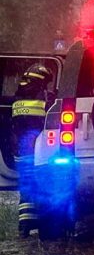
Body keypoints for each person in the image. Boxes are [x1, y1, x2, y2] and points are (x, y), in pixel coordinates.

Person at [12, 63, 54, 236]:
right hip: (38, 150)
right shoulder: (43, 96)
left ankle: (24, 226)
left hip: (20, 151)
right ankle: (45, 225)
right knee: (44, 185)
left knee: (27, 186)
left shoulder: (17, 97)